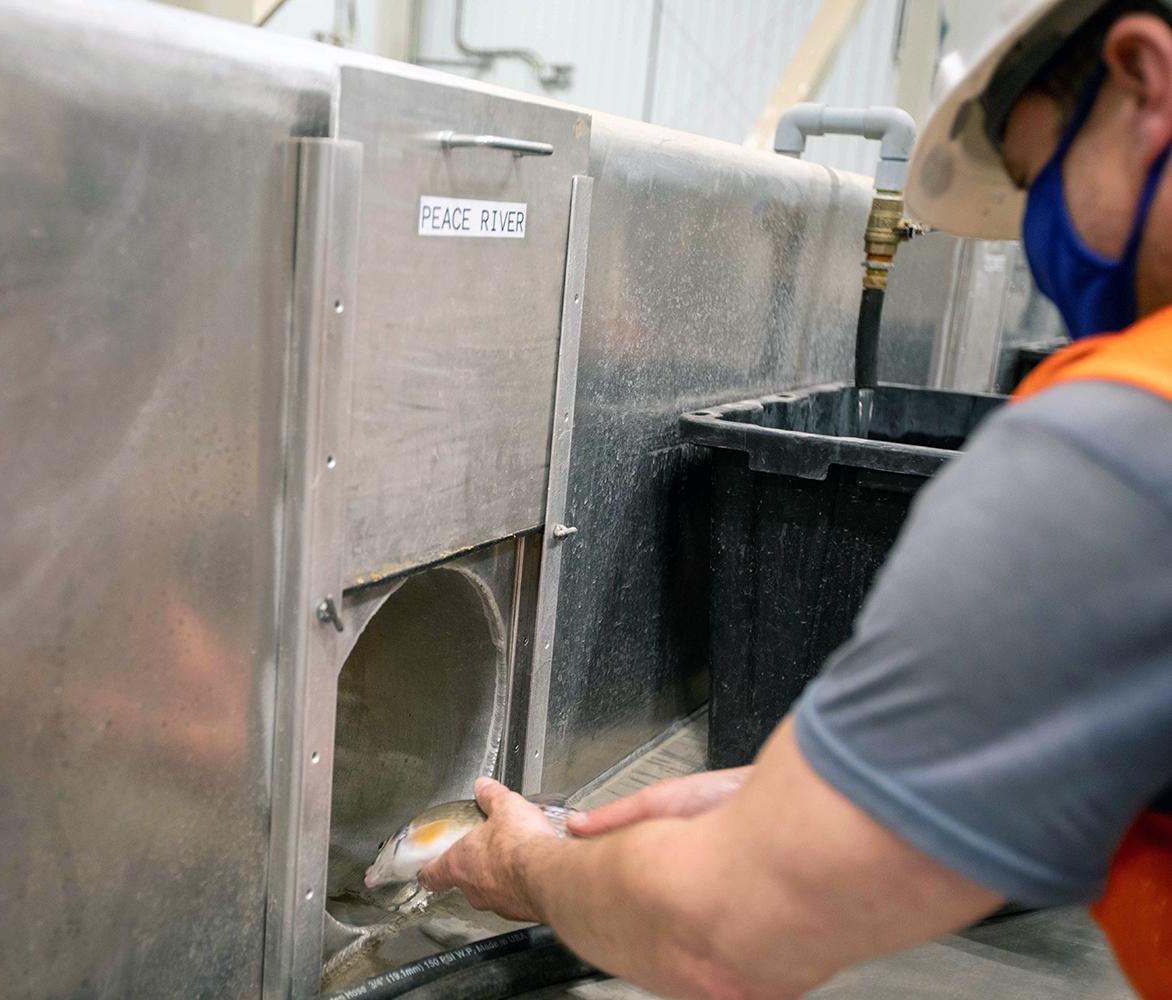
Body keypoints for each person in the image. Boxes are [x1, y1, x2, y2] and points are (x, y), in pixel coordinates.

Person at [417, 2, 1172, 997]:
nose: (1041, 242)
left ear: (1143, 78)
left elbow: (714, 933)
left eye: (1037, 181)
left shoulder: (1118, 442)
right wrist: (801, 793)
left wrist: (532, 869)